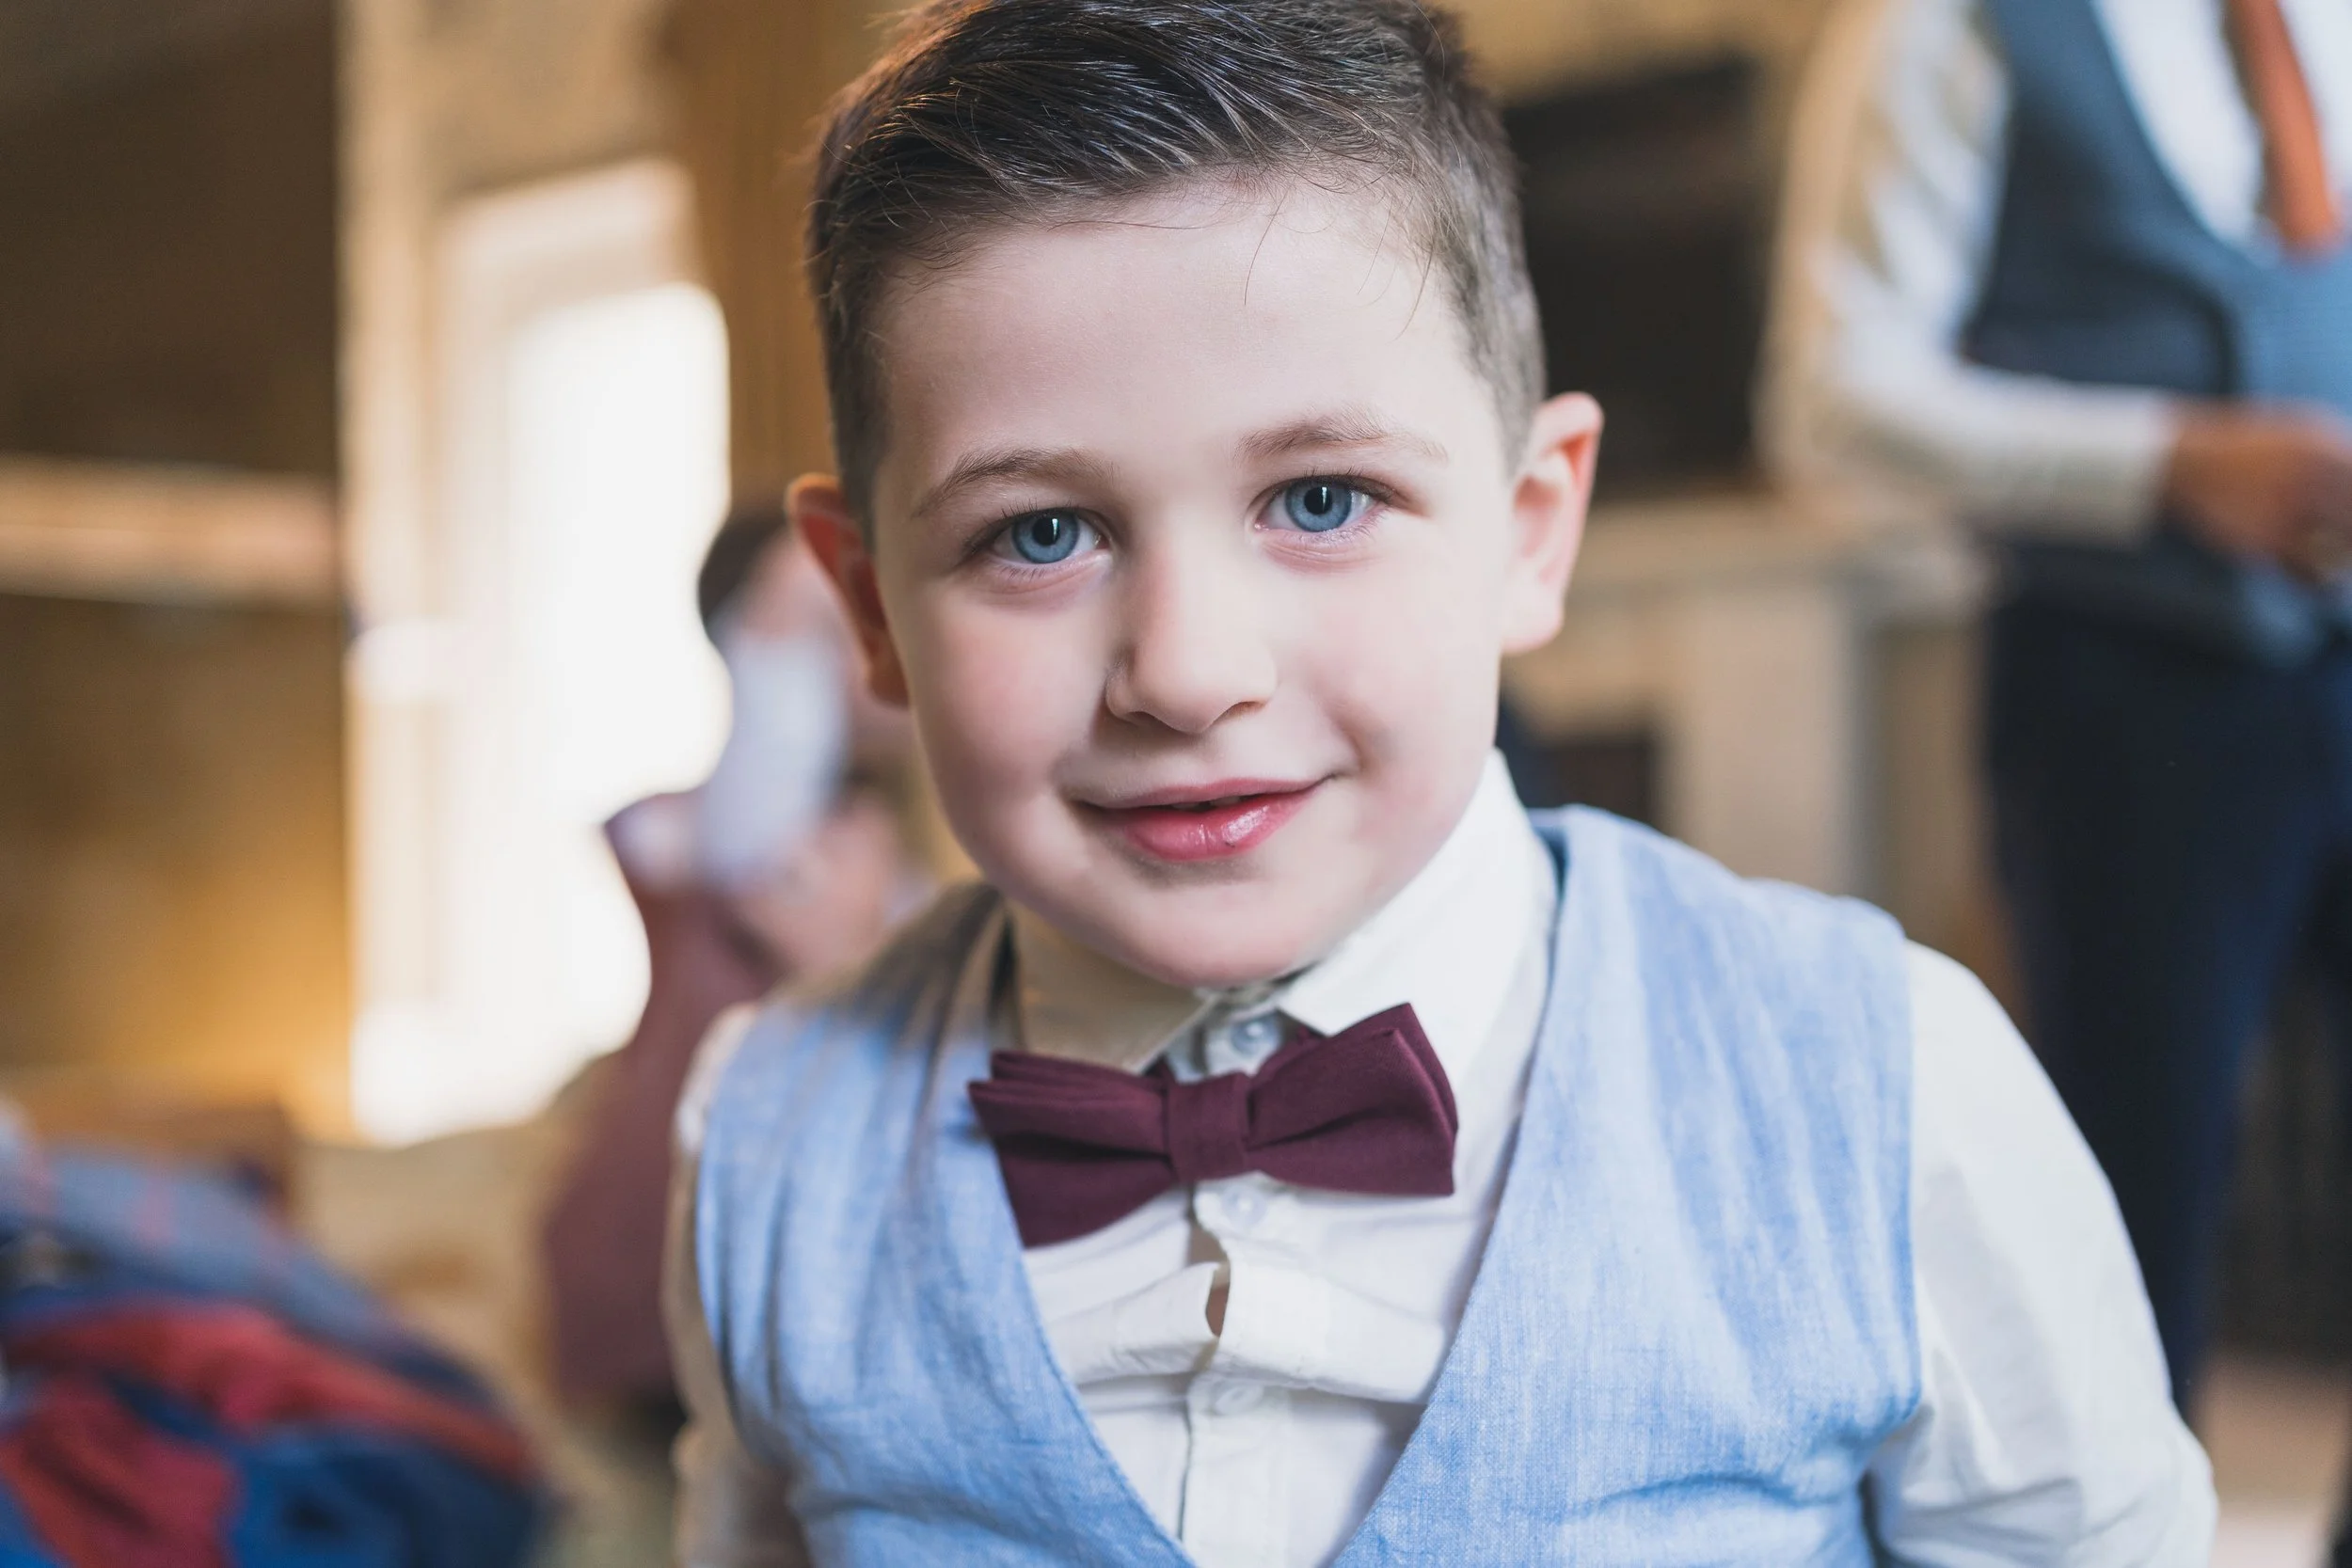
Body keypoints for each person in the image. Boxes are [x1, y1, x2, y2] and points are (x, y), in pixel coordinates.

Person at [665, 1, 2212, 1561]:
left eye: (1321, 497)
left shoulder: (1893, 1085)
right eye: (1040, 534)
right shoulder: (760, 1137)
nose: (1192, 670)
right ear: (871, 611)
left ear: (1531, 531)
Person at [1765, 0, 2352, 1448]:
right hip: (2125, 702)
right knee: (2125, 1228)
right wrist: (2165, 464)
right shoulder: (1946, 28)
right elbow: (1831, 403)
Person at [539, 502, 912, 1417]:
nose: (882, 639)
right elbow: (758, 828)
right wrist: (787, 605)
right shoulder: (702, 833)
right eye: (834, 618)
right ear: (752, 651)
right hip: (656, 1284)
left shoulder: (907, 853)